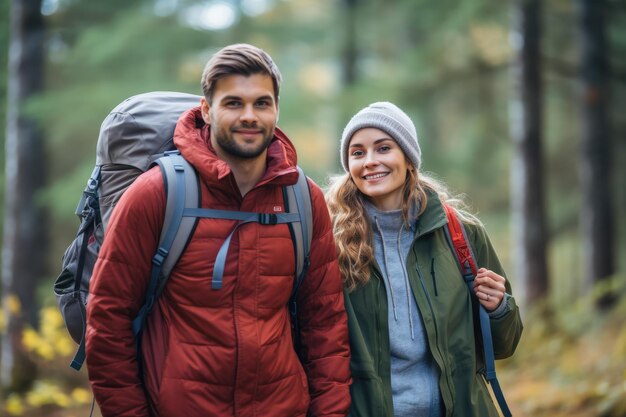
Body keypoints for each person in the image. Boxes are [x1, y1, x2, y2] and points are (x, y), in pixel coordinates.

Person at [86, 44, 351, 417]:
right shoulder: (156, 194)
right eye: (233, 103)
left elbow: (325, 325)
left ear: (276, 109)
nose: (249, 116)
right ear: (207, 109)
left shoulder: (302, 200)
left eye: (262, 103)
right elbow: (107, 322)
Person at [325, 102, 523, 417]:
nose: (371, 161)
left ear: (408, 157)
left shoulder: (461, 234)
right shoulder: (330, 242)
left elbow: (504, 345)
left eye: (384, 148)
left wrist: (499, 307)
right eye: (358, 152)